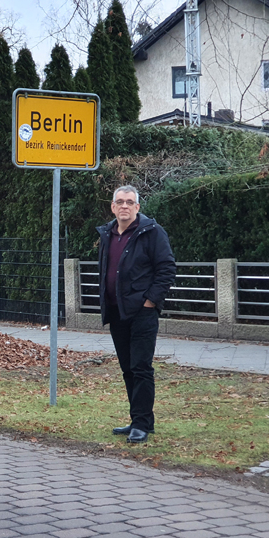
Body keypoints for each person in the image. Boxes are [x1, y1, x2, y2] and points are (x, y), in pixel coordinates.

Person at [97, 185, 176, 443]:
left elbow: (166, 268)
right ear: (112, 206)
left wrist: (150, 302)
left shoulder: (152, 233)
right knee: (127, 369)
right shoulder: (108, 233)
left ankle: (142, 424)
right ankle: (138, 420)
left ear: (137, 207)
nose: (124, 206)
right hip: (116, 311)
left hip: (141, 313)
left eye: (130, 202)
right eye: (120, 202)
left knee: (141, 367)